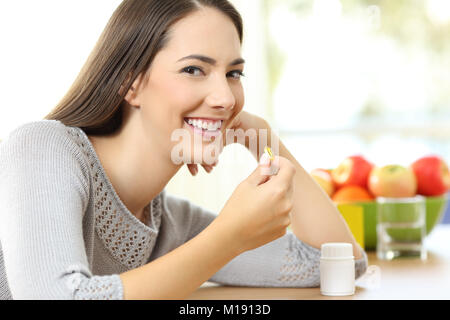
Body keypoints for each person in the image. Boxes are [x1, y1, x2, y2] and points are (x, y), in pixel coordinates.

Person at [0, 0, 367, 300]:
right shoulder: (42, 147)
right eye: (193, 69)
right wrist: (228, 237)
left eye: (234, 73)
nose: (225, 98)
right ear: (131, 82)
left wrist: (264, 137)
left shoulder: (170, 225)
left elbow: (340, 265)